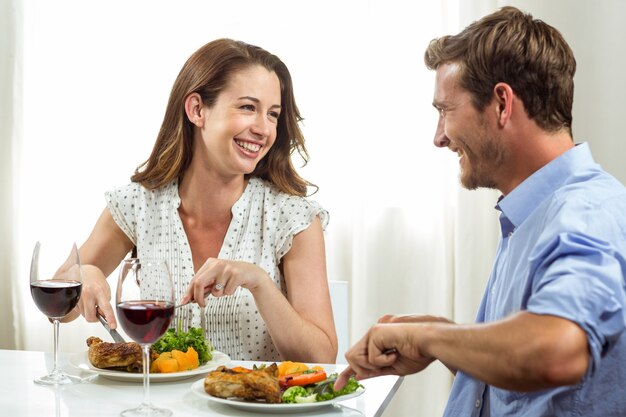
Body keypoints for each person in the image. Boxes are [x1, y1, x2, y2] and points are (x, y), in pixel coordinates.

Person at [334, 6, 626, 416]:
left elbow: (557, 352)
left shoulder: (585, 213)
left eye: (444, 111)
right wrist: (444, 338)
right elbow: (526, 387)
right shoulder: (531, 215)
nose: (438, 138)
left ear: (502, 104)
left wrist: (431, 337)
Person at [65, 38, 338, 363]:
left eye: (273, 114)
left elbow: (322, 356)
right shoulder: (138, 204)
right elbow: (62, 298)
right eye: (248, 107)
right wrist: (83, 276)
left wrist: (260, 283)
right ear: (197, 110)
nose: (264, 129)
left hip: (255, 411)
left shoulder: (293, 216)